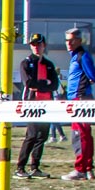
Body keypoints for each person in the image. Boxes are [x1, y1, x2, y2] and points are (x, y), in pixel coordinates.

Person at [15, 34, 59, 178]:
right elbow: (29, 83)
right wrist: (44, 83)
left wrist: (43, 85)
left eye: (38, 44)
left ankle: (35, 167)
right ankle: (20, 167)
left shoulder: (49, 64)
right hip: (32, 103)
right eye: (33, 44)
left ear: (44, 45)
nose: (36, 47)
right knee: (32, 135)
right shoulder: (26, 63)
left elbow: (54, 85)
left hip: (47, 104)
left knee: (42, 136)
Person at [61, 28, 95, 180]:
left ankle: (81, 169)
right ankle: (87, 168)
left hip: (81, 99)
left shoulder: (82, 56)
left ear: (79, 40)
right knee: (83, 134)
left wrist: (90, 79)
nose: (68, 43)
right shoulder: (75, 57)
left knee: (80, 134)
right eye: (66, 40)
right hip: (76, 99)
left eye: (71, 40)